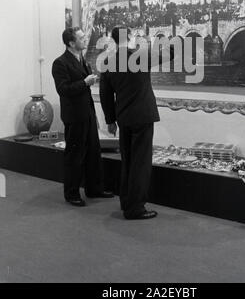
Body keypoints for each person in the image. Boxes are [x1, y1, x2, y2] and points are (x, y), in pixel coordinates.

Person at [99, 26, 173, 220]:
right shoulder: (140, 56)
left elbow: (105, 95)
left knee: (128, 161)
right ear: (130, 37)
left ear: (114, 40)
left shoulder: (107, 62)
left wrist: (110, 120)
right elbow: (170, 53)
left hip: (123, 118)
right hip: (143, 116)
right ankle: (136, 208)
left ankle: (126, 202)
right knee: (141, 163)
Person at [52, 27, 113, 207]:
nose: (85, 39)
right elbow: (63, 90)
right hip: (74, 116)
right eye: (81, 37)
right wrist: (85, 82)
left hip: (87, 113)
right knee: (75, 155)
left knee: (93, 152)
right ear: (71, 43)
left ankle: (94, 189)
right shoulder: (60, 63)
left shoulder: (81, 59)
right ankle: (71, 194)